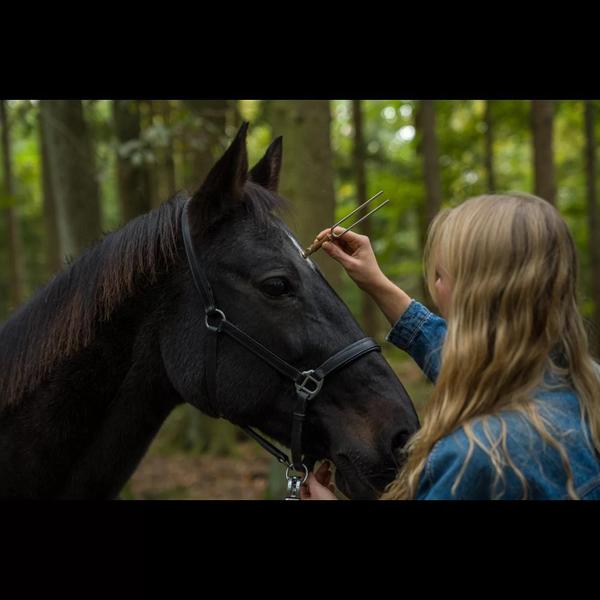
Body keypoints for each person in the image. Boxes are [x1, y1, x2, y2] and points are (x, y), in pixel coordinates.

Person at [301, 193, 600, 500]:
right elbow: (468, 357)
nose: (435, 284)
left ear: (474, 296)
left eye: (441, 275)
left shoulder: (476, 458)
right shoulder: (581, 384)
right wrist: (376, 282)